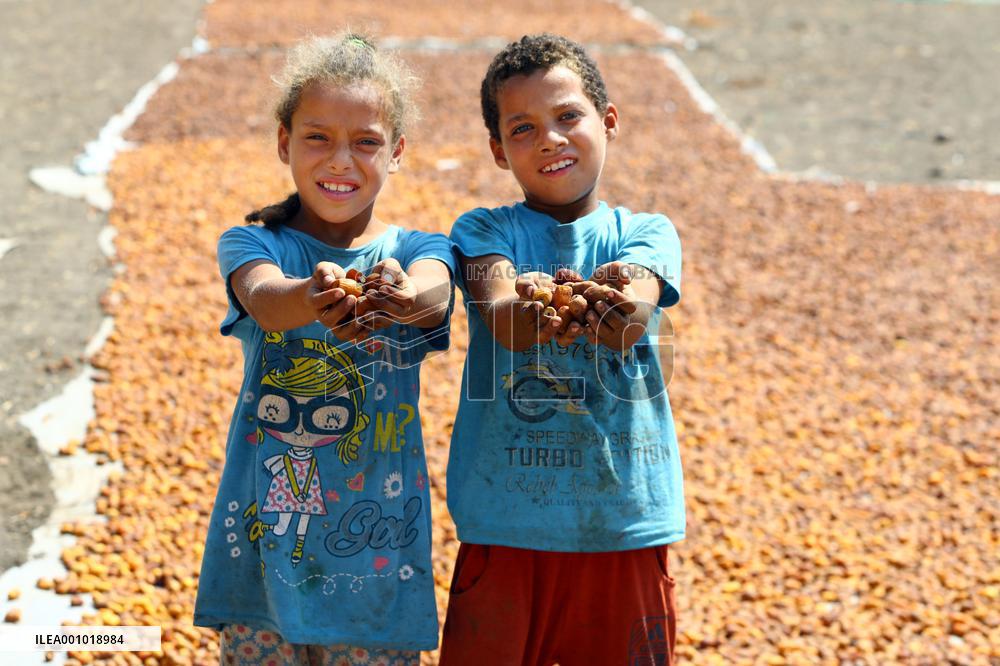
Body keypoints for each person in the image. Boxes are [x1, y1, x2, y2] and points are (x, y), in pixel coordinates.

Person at [193, 32, 454, 666]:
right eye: (317, 138)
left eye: (366, 142)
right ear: (285, 143)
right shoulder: (256, 242)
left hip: (376, 554)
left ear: (397, 152)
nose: (341, 160)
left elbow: (436, 297)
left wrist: (396, 292)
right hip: (265, 555)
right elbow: (266, 298)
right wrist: (315, 293)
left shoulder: (421, 247)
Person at [440, 34, 683, 666]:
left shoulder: (645, 232)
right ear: (498, 150)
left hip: (624, 524)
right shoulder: (483, 229)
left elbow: (632, 313)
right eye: (523, 128)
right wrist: (533, 306)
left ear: (608, 122)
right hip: (506, 526)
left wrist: (600, 306)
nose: (550, 138)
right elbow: (502, 314)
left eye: (568, 117)